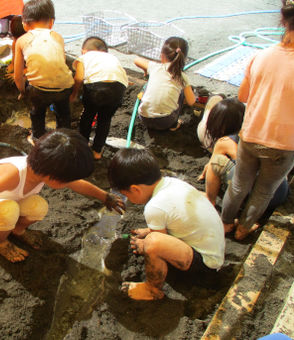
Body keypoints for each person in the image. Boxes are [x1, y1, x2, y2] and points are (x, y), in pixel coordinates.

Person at [0, 129, 125, 273]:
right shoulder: (13, 175)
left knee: (39, 206)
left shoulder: (43, 167)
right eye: (67, 180)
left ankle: (17, 230)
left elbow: (78, 185)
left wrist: (105, 196)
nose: (69, 183)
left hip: (9, 200)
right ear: (52, 176)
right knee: (9, 210)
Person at [108, 148, 224, 300]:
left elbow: (160, 242)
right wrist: (151, 231)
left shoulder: (154, 207)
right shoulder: (172, 183)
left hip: (206, 267)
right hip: (214, 248)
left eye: (125, 195)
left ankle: (152, 290)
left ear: (135, 189)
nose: (127, 199)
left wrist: (144, 246)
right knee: (154, 236)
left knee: (153, 243)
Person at [221, 0, 294, 240]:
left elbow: (243, 95)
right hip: (283, 145)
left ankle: (225, 225)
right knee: (264, 191)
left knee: (239, 185)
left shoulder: (260, 56)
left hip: (251, 135)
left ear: (282, 21)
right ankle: (243, 229)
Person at [198, 98, 289, 226]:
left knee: (218, 162)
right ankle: (249, 224)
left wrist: (206, 177)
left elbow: (217, 165)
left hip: (257, 195)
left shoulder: (225, 142)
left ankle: (210, 200)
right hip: (280, 192)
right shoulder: (255, 132)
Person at [13, 0, 74, 143]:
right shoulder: (57, 37)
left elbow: (17, 75)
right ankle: (64, 138)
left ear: (25, 24)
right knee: (63, 113)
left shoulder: (21, 40)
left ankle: (37, 137)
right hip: (64, 86)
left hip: (39, 90)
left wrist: (22, 91)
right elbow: (60, 62)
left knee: (37, 113)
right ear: (51, 22)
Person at [70, 36, 129, 160]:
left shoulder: (85, 57)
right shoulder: (112, 58)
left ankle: (82, 145)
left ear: (84, 50)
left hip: (96, 87)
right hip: (118, 88)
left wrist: (74, 94)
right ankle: (97, 151)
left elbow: (79, 78)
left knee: (87, 115)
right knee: (104, 120)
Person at [134, 37, 196, 131]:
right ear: (183, 58)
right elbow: (191, 101)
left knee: (149, 86)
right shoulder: (182, 77)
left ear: (161, 55)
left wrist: (146, 71)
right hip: (166, 121)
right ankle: (174, 125)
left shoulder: (155, 67)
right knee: (182, 92)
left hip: (144, 117)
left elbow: (136, 60)